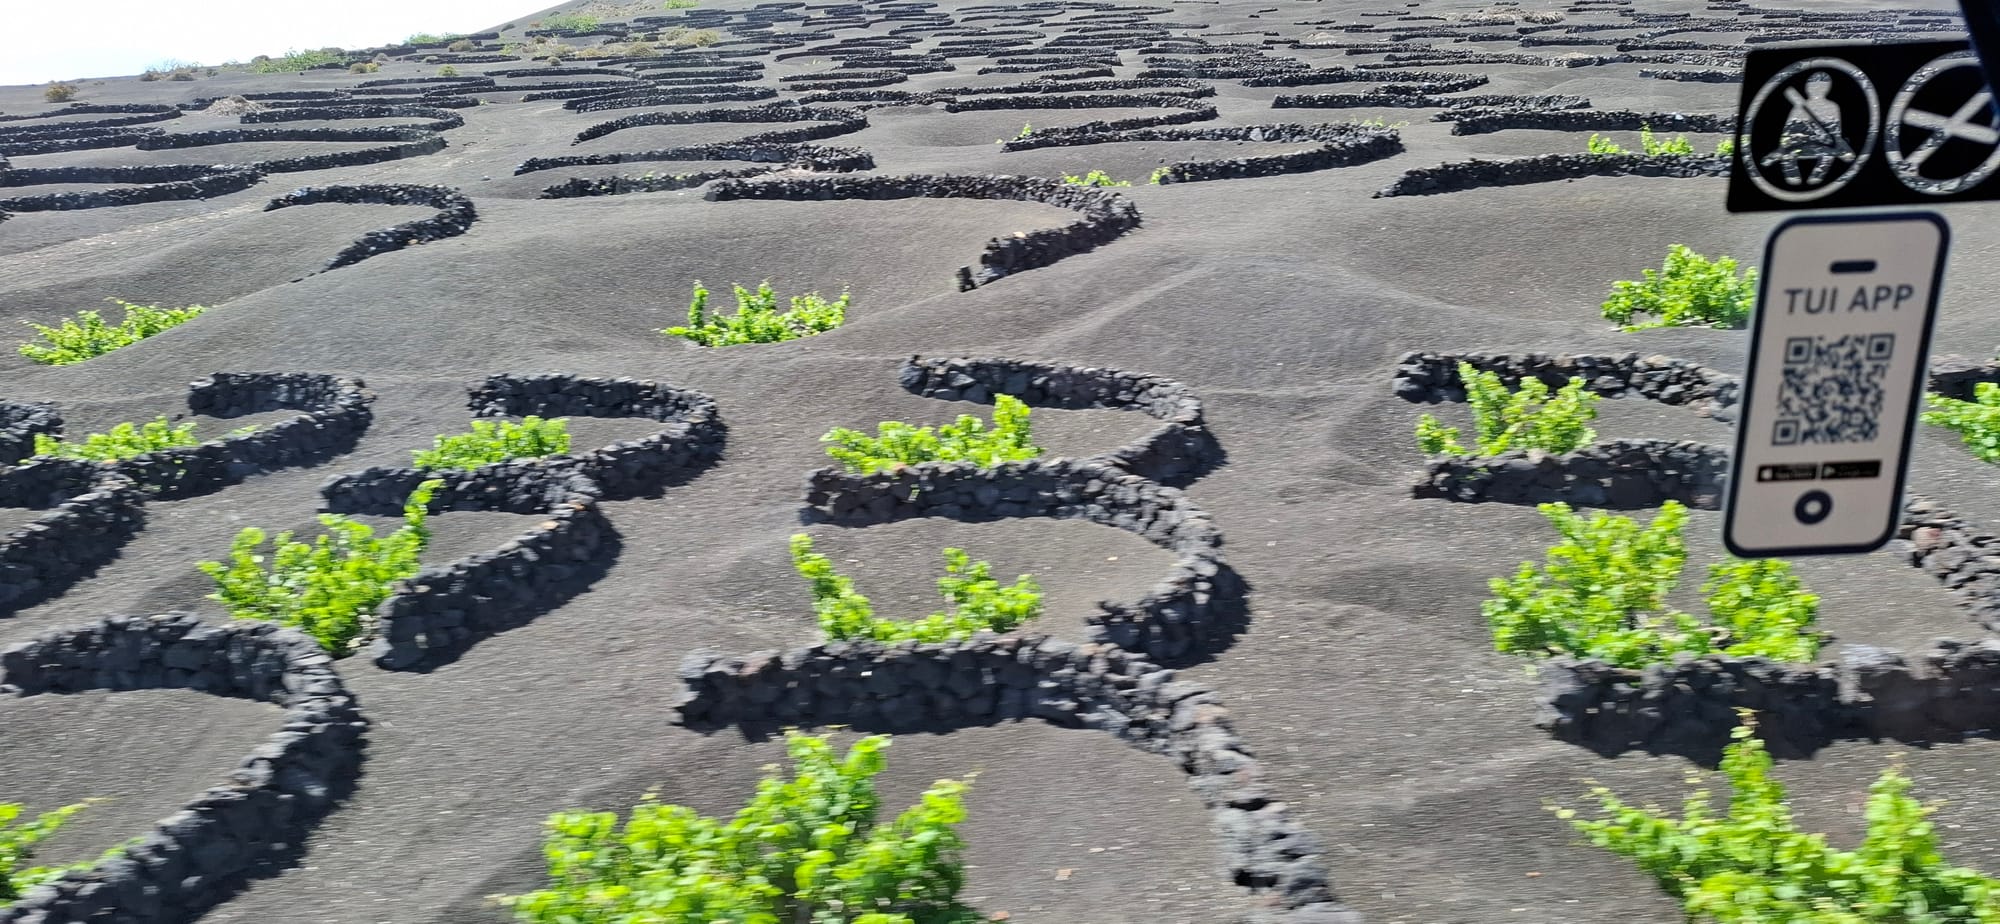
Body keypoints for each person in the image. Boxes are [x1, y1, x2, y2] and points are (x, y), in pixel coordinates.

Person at [1760, 71, 1855, 186]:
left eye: (1818, 87)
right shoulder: (1800, 108)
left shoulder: (1831, 107)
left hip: (1818, 145)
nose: (1815, 89)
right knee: (1791, 154)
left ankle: (1812, 177)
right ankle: (1797, 177)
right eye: (1813, 86)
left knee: (1829, 155)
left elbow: (1835, 133)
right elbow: (1788, 132)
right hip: (1804, 144)